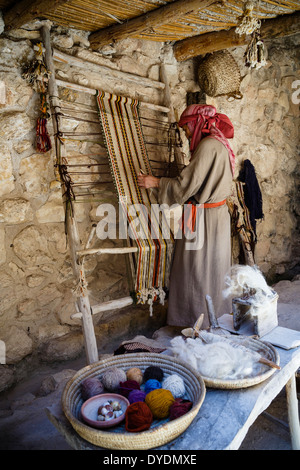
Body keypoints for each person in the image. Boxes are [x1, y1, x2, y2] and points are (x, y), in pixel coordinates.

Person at [137, 104, 235, 329]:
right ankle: (216, 316)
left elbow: (187, 185)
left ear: (198, 122)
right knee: (214, 268)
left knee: (195, 269)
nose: (186, 133)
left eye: (187, 128)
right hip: (216, 216)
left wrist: (156, 182)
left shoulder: (207, 146)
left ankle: (196, 320)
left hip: (205, 219)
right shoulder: (218, 144)